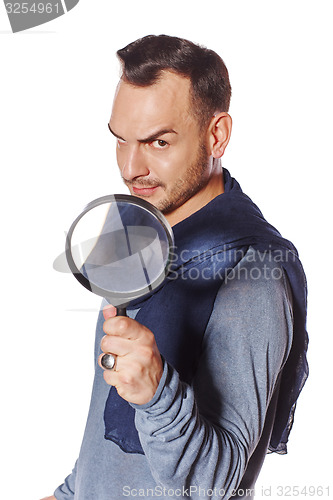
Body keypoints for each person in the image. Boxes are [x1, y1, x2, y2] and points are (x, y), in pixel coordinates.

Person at [42, 35, 308, 500]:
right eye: (120, 140)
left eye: (157, 142)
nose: (130, 167)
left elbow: (217, 487)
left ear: (216, 135)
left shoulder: (252, 272)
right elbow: (108, 449)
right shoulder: (134, 226)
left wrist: (156, 391)